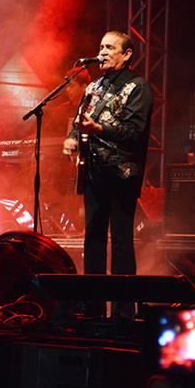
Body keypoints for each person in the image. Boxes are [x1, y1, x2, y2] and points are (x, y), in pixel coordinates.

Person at [62, 31, 153, 315]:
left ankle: (124, 312)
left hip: (122, 174)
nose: (102, 52)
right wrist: (73, 137)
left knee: (122, 241)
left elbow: (134, 132)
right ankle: (93, 308)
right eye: (100, 46)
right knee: (93, 239)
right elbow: (79, 122)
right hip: (93, 173)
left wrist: (99, 129)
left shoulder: (138, 87)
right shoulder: (94, 86)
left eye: (110, 47)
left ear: (126, 55)